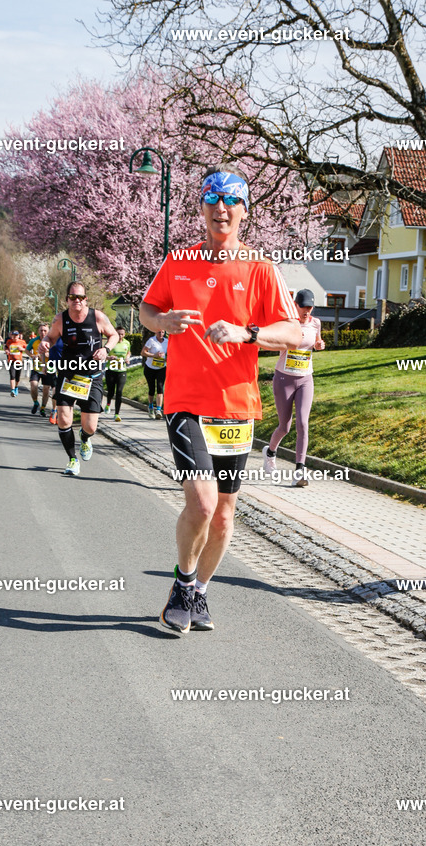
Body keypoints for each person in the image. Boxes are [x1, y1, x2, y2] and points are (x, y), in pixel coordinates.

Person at [139, 165, 301, 634]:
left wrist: (247, 333)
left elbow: (296, 332)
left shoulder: (260, 268)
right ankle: (183, 580)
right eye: (213, 200)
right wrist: (161, 323)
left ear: (244, 211)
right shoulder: (178, 262)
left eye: (231, 201)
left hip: (236, 406)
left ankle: (198, 593)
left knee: (227, 516)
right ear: (202, 208)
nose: (221, 209)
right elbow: (149, 308)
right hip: (186, 402)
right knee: (205, 504)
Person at [38, 283, 119, 476]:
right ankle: (72, 459)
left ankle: (85, 438)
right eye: (73, 297)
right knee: (64, 420)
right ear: (67, 299)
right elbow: (50, 337)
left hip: (92, 377)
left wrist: (106, 349)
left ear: (86, 299)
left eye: (80, 297)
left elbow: (114, 335)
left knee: (90, 426)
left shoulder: (97, 317)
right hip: (68, 375)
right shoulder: (60, 319)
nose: (77, 301)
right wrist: (44, 343)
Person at [262, 287, 325, 487]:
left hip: (306, 379)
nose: (307, 311)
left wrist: (319, 344)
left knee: (303, 424)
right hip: (284, 379)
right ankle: (270, 452)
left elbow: (316, 341)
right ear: (295, 306)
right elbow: (273, 344)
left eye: (310, 307)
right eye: (303, 307)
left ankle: (299, 470)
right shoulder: (288, 324)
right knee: (285, 426)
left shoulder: (316, 323)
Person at [26, 324, 55, 416]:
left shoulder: (53, 341)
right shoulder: (34, 341)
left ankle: (43, 408)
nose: (43, 332)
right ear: (38, 331)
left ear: (48, 331)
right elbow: (27, 350)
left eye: (45, 330)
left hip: (49, 368)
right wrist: (32, 356)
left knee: (46, 389)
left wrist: (49, 355)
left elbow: (58, 353)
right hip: (36, 368)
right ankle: (35, 402)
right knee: (33, 385)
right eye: (41, 330)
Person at [104, 327, 131, 423]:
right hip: (111, 370)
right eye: (119, 334)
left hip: (121, 370)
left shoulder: (126, 343)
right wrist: (109, 358)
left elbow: (128, 352)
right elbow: (103, 355)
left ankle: (116, 414)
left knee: (119, 392)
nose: (120, 336)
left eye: (122, 334)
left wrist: (127, 358)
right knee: (111, 391)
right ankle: (108, 403)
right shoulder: (110, 343)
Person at [142, 329, 168, 419]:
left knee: (160, 387)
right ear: (155, 332)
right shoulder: (151, 340)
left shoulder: (167, 342)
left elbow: (170, 353)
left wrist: (167, 358)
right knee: (151, 389)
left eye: (162, 332)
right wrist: (154, 355)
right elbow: (143, 352)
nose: (161, 334)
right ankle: (150, 406)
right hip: (150, 368)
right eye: (159, 332)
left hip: (161, 368)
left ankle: (158, 410)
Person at [5, 330, 27, 397]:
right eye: (13, 335)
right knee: (12, 376)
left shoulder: (22, 342)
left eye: (16, 335)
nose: (15, 337)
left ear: (18, 336)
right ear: (11, 335)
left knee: (17, 378)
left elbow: (27, 350)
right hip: (11, 361)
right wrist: (6, 350)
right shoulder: (9, 341)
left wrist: (21, 349)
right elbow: (6, 346)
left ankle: (16, 387)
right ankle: (12, 390)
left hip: (19, 362)